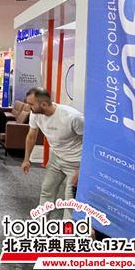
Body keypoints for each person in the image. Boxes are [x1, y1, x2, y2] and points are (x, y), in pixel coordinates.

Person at [21, 87, 84, 220]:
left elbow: (87, 144)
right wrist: (26, 159)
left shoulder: (73, 117)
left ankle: (67, 231)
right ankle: (41, 222)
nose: (28, 106)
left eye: (31, 104)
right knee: (47, 190)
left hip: (75, 162)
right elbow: (31, 137)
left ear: (43, 104)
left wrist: (82, 170)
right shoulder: (35, 114)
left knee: (70, 200)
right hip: (56, 158)